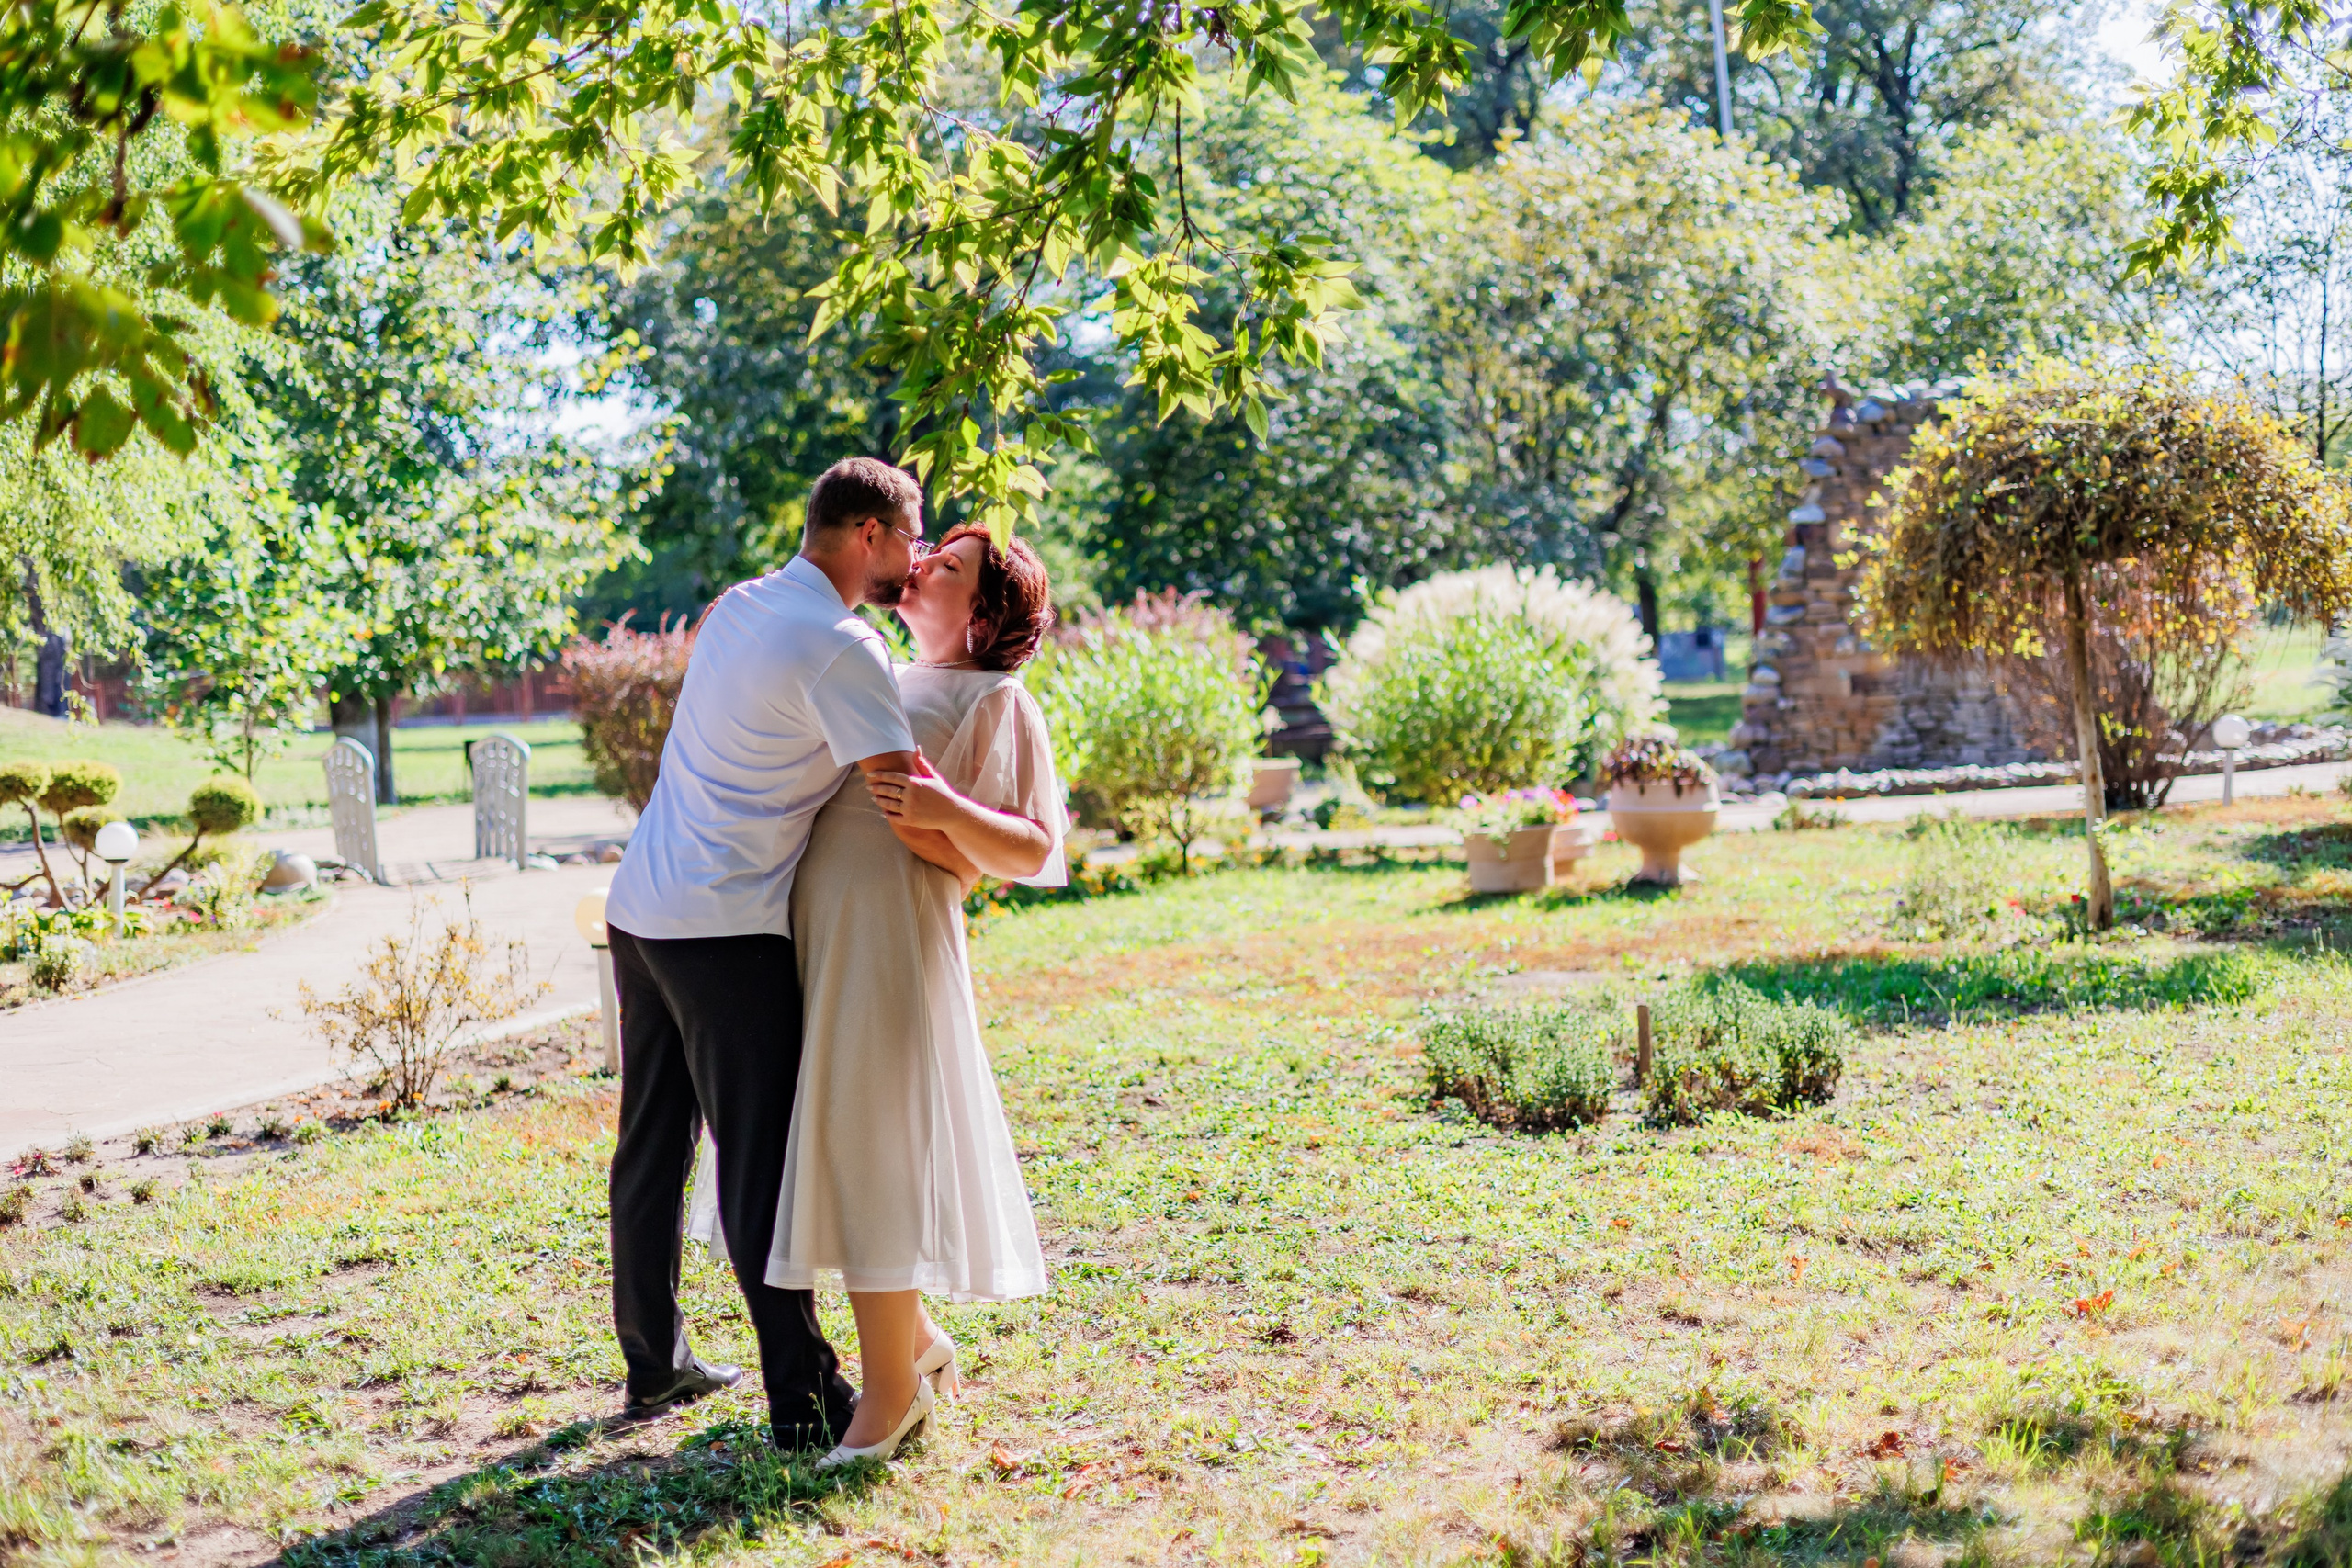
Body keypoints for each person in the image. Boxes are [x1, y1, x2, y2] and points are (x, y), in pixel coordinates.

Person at [601, 457, 965, 1451]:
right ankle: (804, 1399)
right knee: (761, 1168)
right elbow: (903, 795)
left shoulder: (744, 605)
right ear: (867, 535)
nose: (919, 557)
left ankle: (654, 1362)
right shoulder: (840, 643)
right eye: (911, 535)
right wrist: (980, 862)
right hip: (723, 930)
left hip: (641, 906)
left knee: (652, 1144)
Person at [686, 523, 1063, 1470]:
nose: (923, 564)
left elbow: (1029, 849)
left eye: (950, 567)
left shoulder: (995, 700)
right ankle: (916, 1342)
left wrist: (945, 816)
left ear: (982, 615)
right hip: (817, 936)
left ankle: (891, 1392)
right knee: (838, 1140)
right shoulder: (876, 671)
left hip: (890, 941)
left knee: (870, 1142)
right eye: (928, 552)